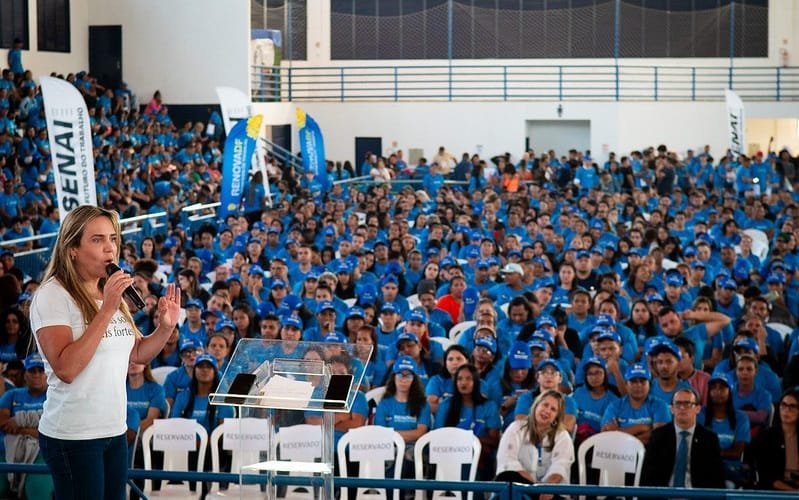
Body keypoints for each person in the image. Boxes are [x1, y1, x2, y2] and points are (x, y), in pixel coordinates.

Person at [29, 206, 181, 499]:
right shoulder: (53, 295)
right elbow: (67, 368)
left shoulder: (108, 292)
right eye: (97, 239)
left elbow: (135, 354)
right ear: (72, 248)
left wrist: (164, 328)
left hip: (113, 430)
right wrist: (108, 307)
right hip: (74, 436)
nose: (110, 248)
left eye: (112, 238)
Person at [495, 390, 575, 499]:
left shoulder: (562, 436)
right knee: (507, 476)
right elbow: (507, 460)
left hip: (550, 492)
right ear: (536, 406)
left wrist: (546, 488)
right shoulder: (516, 428)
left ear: (556, 417)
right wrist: (535, 486)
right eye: (545, 405)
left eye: (553, 409)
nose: (547, 411)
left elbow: (560, 466)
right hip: (522, 487)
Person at [640, 388, 725, 489]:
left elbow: (717, 478)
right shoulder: (659, 436)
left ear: (697, 408)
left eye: (687, 404)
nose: (682, 408)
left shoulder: (709, 439)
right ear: (672, 409)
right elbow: (647, 476)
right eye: (678, 403)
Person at [0, 353, 53, 499]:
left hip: (42, 452)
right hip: (6, 450)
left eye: (40, 371)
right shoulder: (13, 394)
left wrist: (19, 425)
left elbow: (52, 431)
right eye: (32, 371)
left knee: (37, 492)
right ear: (25, 375)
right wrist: (34, 428)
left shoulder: (54, 396)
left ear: (47, 374)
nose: (36, 375)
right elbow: (2, 421)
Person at [753, 387, 799, 491]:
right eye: (784, 405)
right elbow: (766, 476)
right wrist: (794, 492)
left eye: (792, 406)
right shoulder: (766, 436)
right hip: (774, 491)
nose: (787, 410)